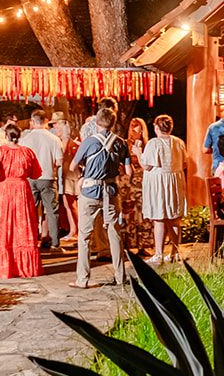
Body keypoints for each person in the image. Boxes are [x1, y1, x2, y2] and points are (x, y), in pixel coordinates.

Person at [70, 105, 129, 288]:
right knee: (114, 234)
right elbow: (129, 171)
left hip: (89, 192)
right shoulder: (121, 143)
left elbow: (73, 166)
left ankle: (83, 279)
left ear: (97, 122)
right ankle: (120, 276)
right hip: (110, 192)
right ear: (113, 123)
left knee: (85, 237)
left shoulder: (89, 142)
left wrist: (85, 172)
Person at [0, 125, 42, 279]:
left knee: (3, 226)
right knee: (23, 225)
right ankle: (25, 267)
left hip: (4, 190)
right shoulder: (27, 152)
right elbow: (36, 173)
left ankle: (5, 268)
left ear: (6, 136)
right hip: (22, 190)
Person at [140, 114, 187, 265]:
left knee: (159, 218)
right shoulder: (178, 142)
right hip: (175, 181)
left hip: (158, 183)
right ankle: (174, 252)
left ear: (156, 127)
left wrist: (137, 153)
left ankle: (159, 253)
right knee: (174, 218)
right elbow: (185, 163)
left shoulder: (154, 143)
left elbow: (147, 165)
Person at [20, 110, 64, 250]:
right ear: (46, 121)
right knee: (52, 211)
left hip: (30, 178)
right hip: (48, 177)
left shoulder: (25, 139)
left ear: (33, 121)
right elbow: (59, 162)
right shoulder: (54, 139)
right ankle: (55, 242)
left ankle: (31, 240)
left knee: (30, 210)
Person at [118, 115, 152, 256]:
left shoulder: (148, 145)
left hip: (143, 181)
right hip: (127, 181)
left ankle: (143, 244)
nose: (134, 128)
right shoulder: (125, 144)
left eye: (137, 126)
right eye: (132, 126)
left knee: (143, 212)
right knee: (128, 212)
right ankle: (127, 244)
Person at [49, 112, 79, 244]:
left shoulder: (68, 142)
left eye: (56, 126)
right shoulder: (60, 141)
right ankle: (73, 229)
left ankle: (76, 230)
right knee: (67, 203)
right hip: (65, 175)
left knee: (70, 203)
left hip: (70, 176)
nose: (55, 129)